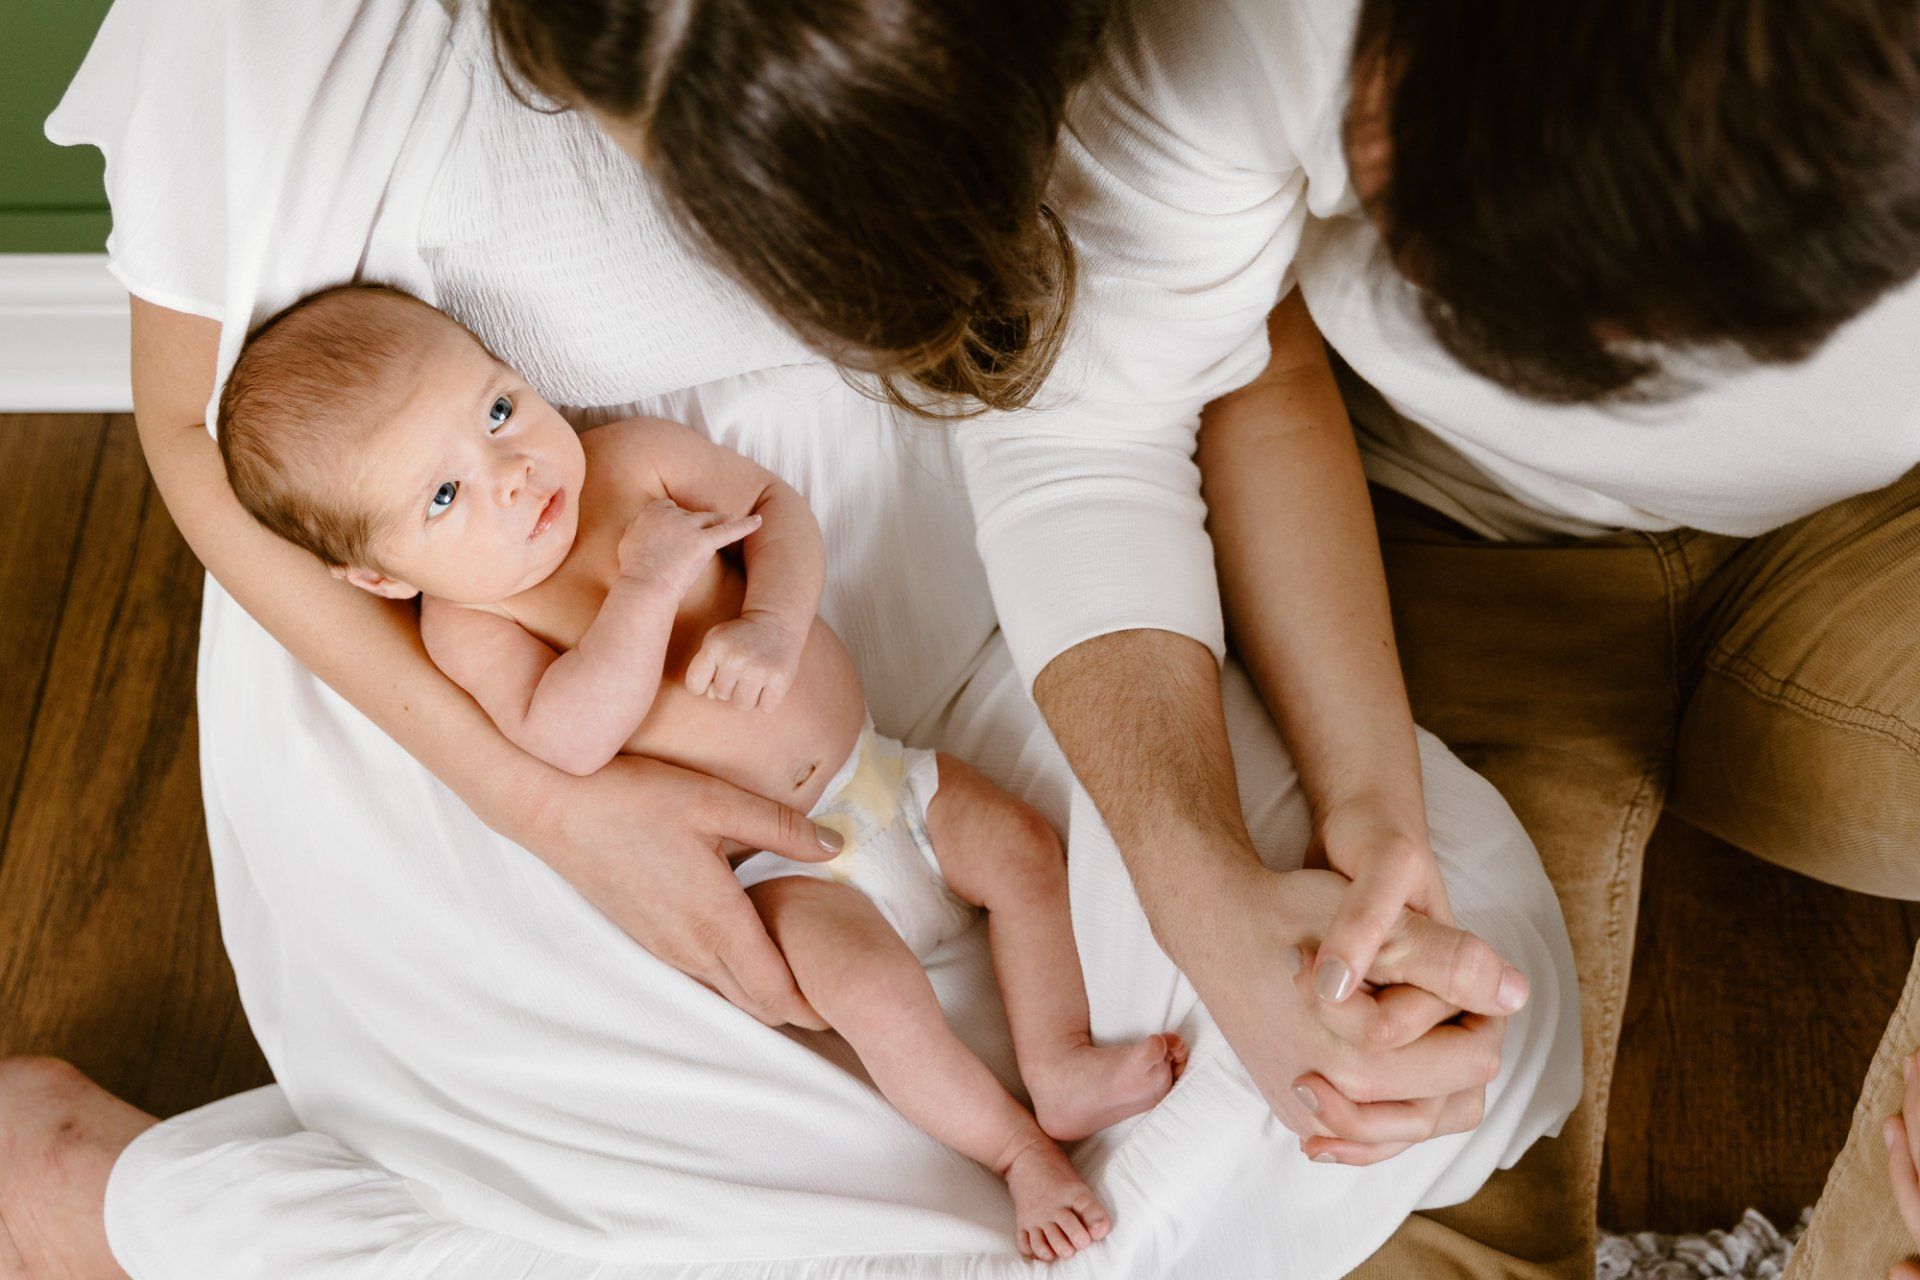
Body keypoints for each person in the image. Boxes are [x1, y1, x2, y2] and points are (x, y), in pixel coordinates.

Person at [8, 0, 1581, 1274]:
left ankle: (177, 1227)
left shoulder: (1121, 103)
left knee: (1455, 1009)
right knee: (824, 1180)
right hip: (509, 755)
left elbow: (1220, 352)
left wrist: (1240, 878)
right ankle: (117, 1200)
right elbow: (195, 443)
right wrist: (559, 809)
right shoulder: (287, 48)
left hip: (986, 575)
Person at [220, 284, 1202, 1260]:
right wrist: (644, 590)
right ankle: (1018, 1147)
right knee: (874, 999)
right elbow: (566, 737)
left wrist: (774, 619)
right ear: (383, 576)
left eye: (497, 409)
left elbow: (776, 510)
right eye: (445, 495)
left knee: (1024, 850)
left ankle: (1060, 1058)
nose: (512, 472)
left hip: (886, 773)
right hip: (788, 872)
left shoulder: (630, 460)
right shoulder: (473, 625)